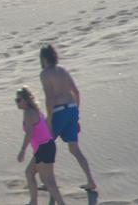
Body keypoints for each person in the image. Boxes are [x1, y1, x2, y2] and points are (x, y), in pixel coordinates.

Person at [39, 44, 97, 193]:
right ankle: (90, 181)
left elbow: (49, 98)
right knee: (75, 149)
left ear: (44, 58)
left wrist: (49, 119)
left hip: (58, 111)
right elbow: (76, 92)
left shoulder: (45, 74)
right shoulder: (63, 70)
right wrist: (76, 114)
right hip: (71, 109)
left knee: (46, 147)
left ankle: (49, 183)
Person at [16, 87, 65, 205]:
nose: (17, 102)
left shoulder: (28, 113)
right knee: (30, 173)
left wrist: (22, 150)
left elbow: (29, 133)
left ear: (26, 100)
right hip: (47, 146)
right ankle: (33, 201)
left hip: (44, 148)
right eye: (16, 100)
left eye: (19, 100)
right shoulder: (35, 110)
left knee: (48, 181)